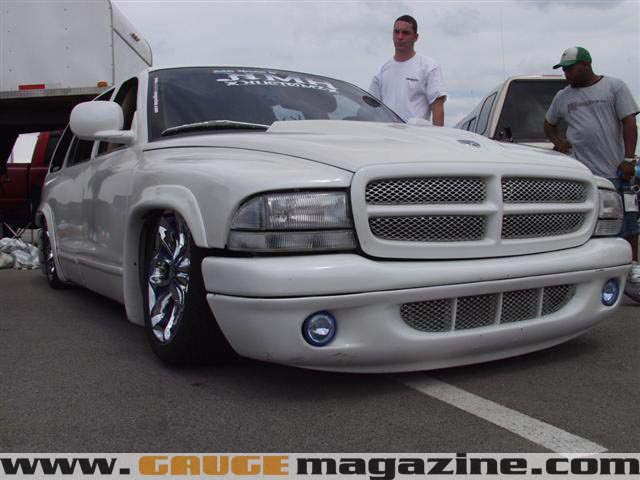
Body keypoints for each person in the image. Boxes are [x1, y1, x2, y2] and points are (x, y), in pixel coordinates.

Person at [544, 46, 639, 278]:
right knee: (587, 225)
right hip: (583, 175)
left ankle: (633, 267)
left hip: (615, 172)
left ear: (586, 65)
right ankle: (592, 269)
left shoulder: (614, 87)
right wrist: (558, 142)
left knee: (627, 223)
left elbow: (629, 123)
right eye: (564, 70)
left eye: (571, 69)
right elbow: (549, 124)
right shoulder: (563, 96)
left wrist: (628, 159)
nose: (567, 74)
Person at [369, 15, 446, 125]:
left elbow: (438, 107)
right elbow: (371, 108)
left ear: (416, 37)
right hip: (386, 133)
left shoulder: (429, 67)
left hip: (416, 134)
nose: (400, 37)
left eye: (405, 33)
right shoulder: (382, 70)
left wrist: (438, 134)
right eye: (396, 32)